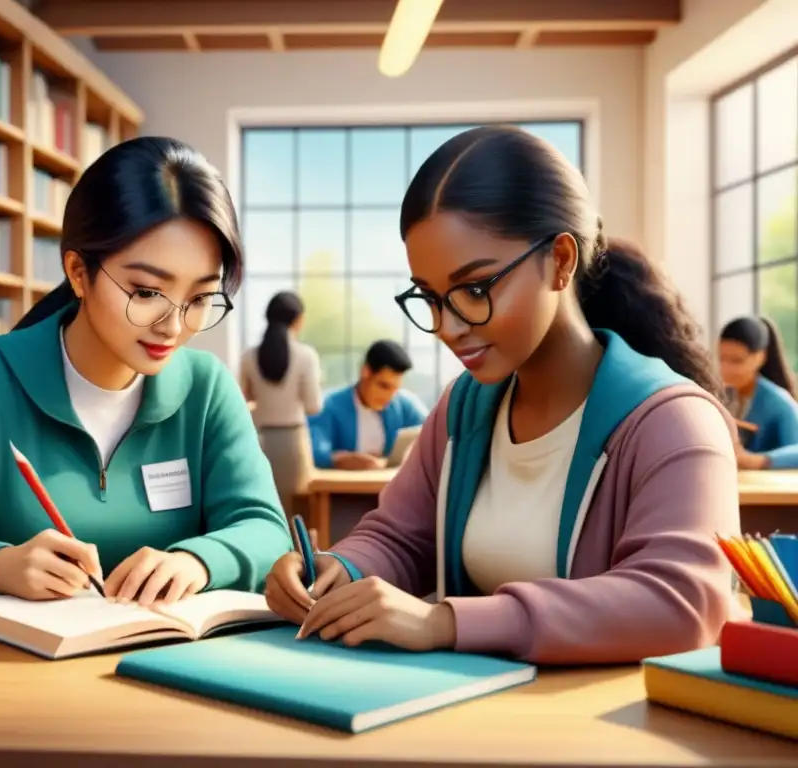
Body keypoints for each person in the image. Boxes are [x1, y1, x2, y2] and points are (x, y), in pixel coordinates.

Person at [264, 125, 740, 665]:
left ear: (560, 261)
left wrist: (445, 622)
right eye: (431, 297)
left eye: (475, 289)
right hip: (468, 715)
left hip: (603, 730)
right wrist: (337, 569)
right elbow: (402, 538)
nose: (448, 326)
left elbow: (682, 604)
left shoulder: (671, 423)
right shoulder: (462, 409)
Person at [0, 137, 292, 605]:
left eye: (199, 298)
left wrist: (199, 561)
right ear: (77, 272)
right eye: (147, 292)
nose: (173, 325)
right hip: (3, 671)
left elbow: (266, 530)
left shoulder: (206, 389)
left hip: (167, 663)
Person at [240, 291, 323, 516]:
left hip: (259, 440)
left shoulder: (249, 356)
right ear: (298, 320)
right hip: (293, 442)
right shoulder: (306, 355)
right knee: (296, 513)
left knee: (262, 509)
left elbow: (241, 402)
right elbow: (313, 406)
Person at [308, 340, 428, 470]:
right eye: (384, 386)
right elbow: (315, 451)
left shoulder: (403, 404)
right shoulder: (328, 405)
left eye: (395, 389)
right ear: (365, 372)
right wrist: (339, 460)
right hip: (342, 487)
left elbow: (432, 433)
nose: (389, 396)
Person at [718, 315, 798, 470]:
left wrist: (757, 460)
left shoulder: (778, 401)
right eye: (722, 359)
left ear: (760, 358)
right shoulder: (722, 394)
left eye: (737, 361)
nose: (726, 369)